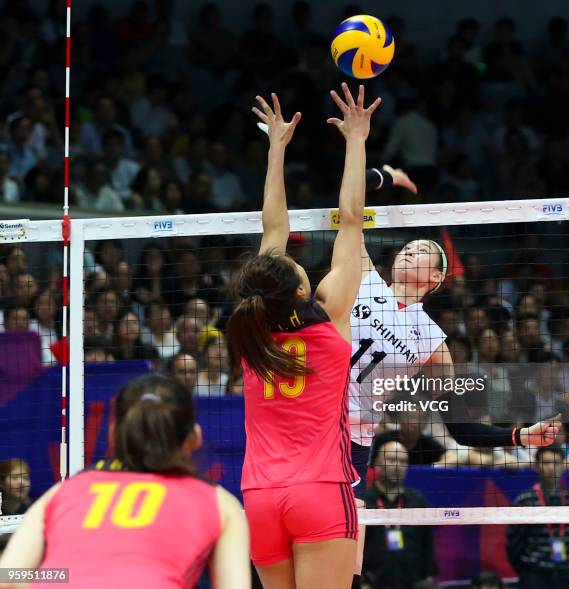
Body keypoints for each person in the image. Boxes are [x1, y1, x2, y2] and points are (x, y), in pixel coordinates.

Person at [349, 167, 562, 588]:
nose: (409, 250)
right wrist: (384, 176)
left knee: (346, 548)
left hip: (355, 436)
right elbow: (349, 204)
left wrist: (518, 437)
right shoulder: (363, 275)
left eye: (423, 250)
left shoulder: (432, 341)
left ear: (436, 278)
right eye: (407, 246)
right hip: (313, 412)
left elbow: (460, 429)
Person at [227, 84, 380, 589]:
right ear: (297, 286)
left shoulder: (252, 324)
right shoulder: (331, 311)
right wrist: (356, 140)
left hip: (261, 497)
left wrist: (276, 150)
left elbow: (272, 229)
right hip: (318, 491)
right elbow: (352, 219)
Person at [0, 374, 250, 588]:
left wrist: (61, 578)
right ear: (195, 436)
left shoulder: (65, 489)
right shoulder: (221, 503)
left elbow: (7, 577)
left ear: (112, 435)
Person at [362, 439, 437, 589]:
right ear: (376, 462)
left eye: (403, 461)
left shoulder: (417, 500)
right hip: (373, 584)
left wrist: (429, 577)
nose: (397, 466)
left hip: (412, 583)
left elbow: (428, 543)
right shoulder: (363, 501)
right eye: (391, 459)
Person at [507, 445, 569, 589]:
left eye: (556, 462)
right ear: (537, 466)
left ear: (563, 465)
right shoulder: (525, 500)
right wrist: (527, 571)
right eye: (546, 463)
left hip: (562, 573)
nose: (551, 467)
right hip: (533, 575)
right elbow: (513, 545)